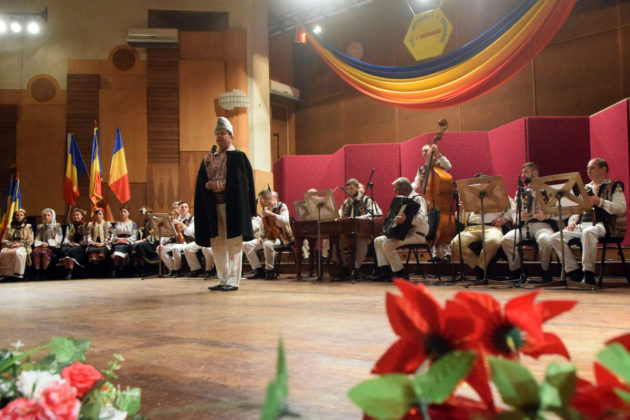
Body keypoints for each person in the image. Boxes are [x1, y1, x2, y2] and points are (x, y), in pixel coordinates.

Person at [194, 116, 256, 292]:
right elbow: (201, 181)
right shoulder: (208, 158)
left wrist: (218, 185)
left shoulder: (238, 157)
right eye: (217, 133)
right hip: (213, 207)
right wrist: (207, 185)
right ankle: (223, 278)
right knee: (217, 243)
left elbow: (242, 183)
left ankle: (233, 281)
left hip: (233, 206)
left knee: (234, 243)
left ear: (231, 136)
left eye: (223, 133)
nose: (220, 136)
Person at [550, 158, 627, 285]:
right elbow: (577, 209)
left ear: (603, 169)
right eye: (587, 168)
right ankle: (574, 272)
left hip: (603, 224)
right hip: (583, 224)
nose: (588, 171)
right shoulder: (586, 188)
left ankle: (588, 273)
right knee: (556, 237)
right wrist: (572, 222)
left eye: (592, 168)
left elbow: (621, 208)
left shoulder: (614, 186)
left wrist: (600, 201)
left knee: (589, 232)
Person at [450, 174, 513, 281]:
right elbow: (462, 220)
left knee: (494, 241)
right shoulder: (471, 196)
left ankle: (480, 267)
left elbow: (513, 209)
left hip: (491, 227)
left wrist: (504, 219)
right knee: (455, 244)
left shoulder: (499, 194)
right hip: (471, 228)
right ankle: (479, 266)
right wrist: (461, 211)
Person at [500, 162, 556, 282]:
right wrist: (519, 217)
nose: (523, 175)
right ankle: (516, 270)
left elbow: (560, 211)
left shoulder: (548, 190)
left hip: (543, 225)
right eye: (522, 172)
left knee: (545, 240)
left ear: (535, 173)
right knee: (506, 240)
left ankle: (545, 270)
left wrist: (547, 215)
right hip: (525, 226)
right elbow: (514, 212)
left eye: (526, 172)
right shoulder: (521, 192)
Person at [373, 177, 428, 281]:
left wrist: (406, 220)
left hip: (417, 234)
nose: (394, 191)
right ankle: (385, 272)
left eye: (396, 189)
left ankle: (400, 273)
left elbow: (422, 219)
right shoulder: (402, 200)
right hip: (405, 234)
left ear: (404, 189)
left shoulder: (418, 199)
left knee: (387, 243)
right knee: (378, 240)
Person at [412, 143, 452, 263]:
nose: (423, 153)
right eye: (422, 151)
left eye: (426, 150)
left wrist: (438, 153)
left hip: (439, 199)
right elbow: (416, 184)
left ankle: (446, 253)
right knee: (432, 226)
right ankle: (435, 254)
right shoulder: (421, 169)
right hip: (428, 200)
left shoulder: (439, 164)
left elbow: (448, 166)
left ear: (432, 151)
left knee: (442, 225)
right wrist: (407, 187)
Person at [244, 189, 293, 280]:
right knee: (246, 244)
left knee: (267, 244)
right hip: (269, 237)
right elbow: (262, 225)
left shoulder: (282, 206)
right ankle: (258, 270)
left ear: (271, 198)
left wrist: (272, 214)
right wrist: (260, 236)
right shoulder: (266, 209)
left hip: (282, 238)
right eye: (263, 200)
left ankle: (270, 270)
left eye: (265, 199)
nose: (264, 202)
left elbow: (285, 221)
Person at [338, 177, 382, 278]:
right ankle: (345, 266)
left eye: (352, 188)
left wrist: (360, 218)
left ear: (357, 187)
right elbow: (340, 214)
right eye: (348, 189)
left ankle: (355, 268)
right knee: (335, 242)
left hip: (364, 233)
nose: (349, 191)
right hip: (348, 233)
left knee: (361, 242)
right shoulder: (346, 202)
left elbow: (377, 214)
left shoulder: (367, 200)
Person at [158, 201, 193, 277]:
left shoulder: (191, 218)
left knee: (175, 248)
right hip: (178, 242)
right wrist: (161, 242)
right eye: (181, 207)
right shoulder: (176, 219)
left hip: (188, 242)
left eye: (185, 207)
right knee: (159, 249)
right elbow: (168, 233)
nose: (183, 209)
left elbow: (190, 232)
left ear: (188, 209)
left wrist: (181, 224)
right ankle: (172, 269)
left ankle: (177, 270)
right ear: (179, 209)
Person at [0, 209, 34, 279]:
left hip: (23, 246)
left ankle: (18, 274)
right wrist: (10, 244)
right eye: (17, 215)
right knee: (3, 252)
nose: (19, 217)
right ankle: (5, 274)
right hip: (11, 245)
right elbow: (3, 239)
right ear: (14, 216)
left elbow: (30, 240)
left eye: (21, 215)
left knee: (18, 253)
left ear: (24, 217)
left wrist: (20, 244)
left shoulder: (28, 226)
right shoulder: (9, 227)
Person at [32, 208, 63, 280]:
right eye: (45, 215)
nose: (46, 217)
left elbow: (59, 238)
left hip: (54, 245)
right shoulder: (40, 226)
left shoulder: (57, 226)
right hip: (42, 244)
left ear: (52, 216)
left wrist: (48, 243)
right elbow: (37, 237)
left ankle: (44, 272)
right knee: (36, 251)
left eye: (48, 215)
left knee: (45, 251)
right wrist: (40, 243)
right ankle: (37, 272)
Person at [59, 208, 88, 280]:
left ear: (82, 216)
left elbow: (86, 237)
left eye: (77, 215)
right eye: (74, 215)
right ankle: (67, 270)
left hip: (81, 245)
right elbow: (66, 237)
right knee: (64, 249)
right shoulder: (70, 226)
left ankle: (70, 272)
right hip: (71, 244)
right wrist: (68, 242)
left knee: (73, 250)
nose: (75, 216)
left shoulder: (85, 226)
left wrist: (79, 244)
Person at [110, 206, 138, 277]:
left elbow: (135, 236)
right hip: (118, 242)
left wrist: (126, 240)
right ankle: (117, 271)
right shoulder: (116, 224)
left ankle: (125, 270)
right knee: (116, 250)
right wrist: (117, 239)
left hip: (128, 242)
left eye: (125, 211)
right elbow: (113, 235)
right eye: (121, 212)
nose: (123, 213)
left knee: (124, 251)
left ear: (128, 213)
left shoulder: (133, 224)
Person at [85, 208, 113, 277]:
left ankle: (102, 272)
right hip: (93, 244)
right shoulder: (90, 224)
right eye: (96, 214)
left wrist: (103, 243)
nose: (98, 216)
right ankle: (94, 271)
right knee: (91, 250)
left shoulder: (108, 224)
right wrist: (93, 243)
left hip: (104, 244)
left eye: (100, 214)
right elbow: (87, 235)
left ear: (103, 215)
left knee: (102, 250)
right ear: (94, 216)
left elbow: (111, 236)